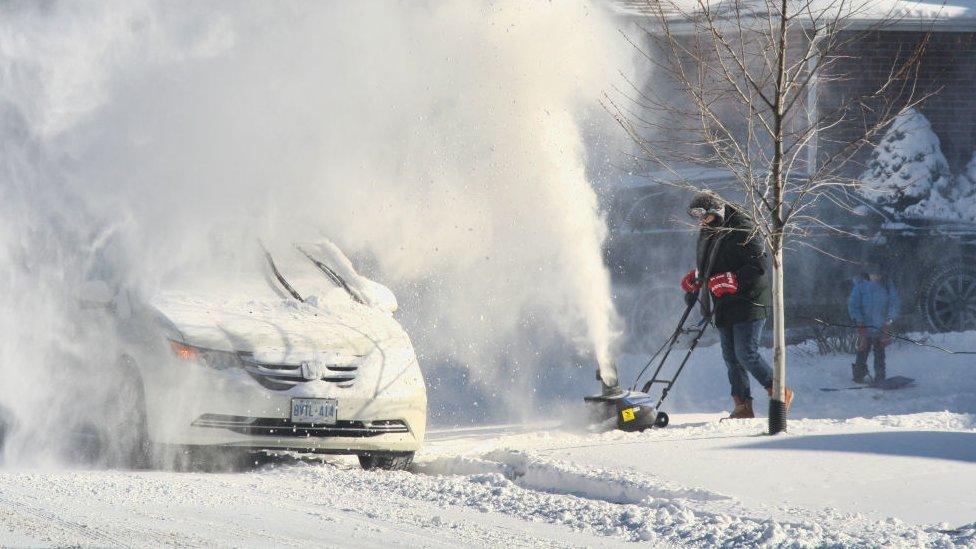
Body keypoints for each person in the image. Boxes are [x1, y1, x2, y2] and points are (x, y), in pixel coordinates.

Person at [680, 190, 794, 419]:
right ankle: (742, 406)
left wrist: (732, 279)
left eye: (703, 215)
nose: (701, 221)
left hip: (750, 299)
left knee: (745, 353)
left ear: (715, 210)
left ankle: (780, 392)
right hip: (724, 300)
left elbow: (759, 265)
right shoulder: (709, 229)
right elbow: (713, 262)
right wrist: (699, 276)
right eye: (697, 217)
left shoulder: (742, 226)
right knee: (731, 357)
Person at [847, 262, 900, 383]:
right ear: (868, 274)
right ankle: (858, 376)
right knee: (862, 352)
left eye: (879, 275)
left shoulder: (887, 285)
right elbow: (853, 305)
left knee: (880, 355)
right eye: (874, 275)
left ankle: (880, 377)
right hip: (865, 327)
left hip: (881, 327)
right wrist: (859, 322)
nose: (877, 277)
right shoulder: (860, 286)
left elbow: (894, 303)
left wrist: (889, 320)